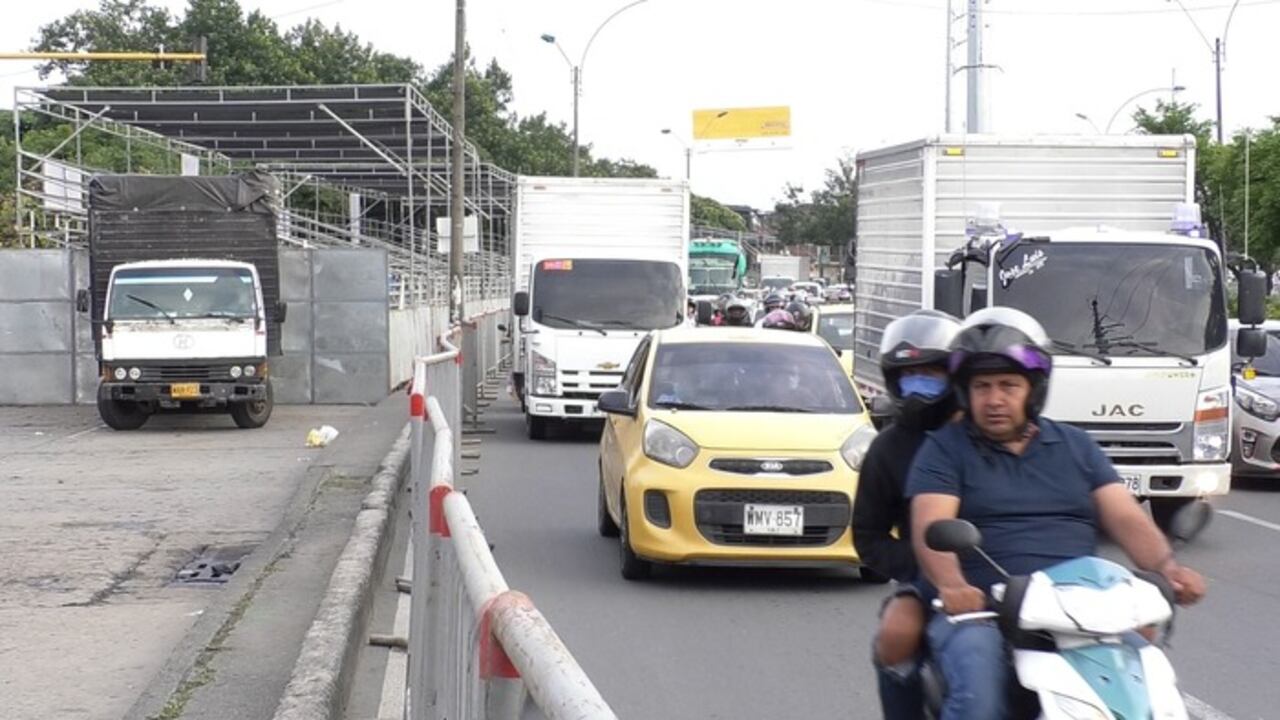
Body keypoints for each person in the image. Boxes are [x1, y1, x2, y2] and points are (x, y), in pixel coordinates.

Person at [907, 307, 1207, 720]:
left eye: (1008, 385)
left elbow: (1126, 517)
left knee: (1150, 690)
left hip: (1081, 612)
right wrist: (953, 584)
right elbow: (931, 525)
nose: (994, 399)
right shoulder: (944, 449)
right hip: (983, 614)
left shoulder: (1075, 445)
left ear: (1033, 389)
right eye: (982, 386)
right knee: (979, 693)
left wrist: (1167, 568)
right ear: (966, 393)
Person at [852, 310, 961, 720]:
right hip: (928, 583)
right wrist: (920, 568)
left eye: (931, 372)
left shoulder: (981, 438)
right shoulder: (888, 449)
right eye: (909, 374)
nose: (919, 384)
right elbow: (867, 535)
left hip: (1008, 574)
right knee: (896, 641)